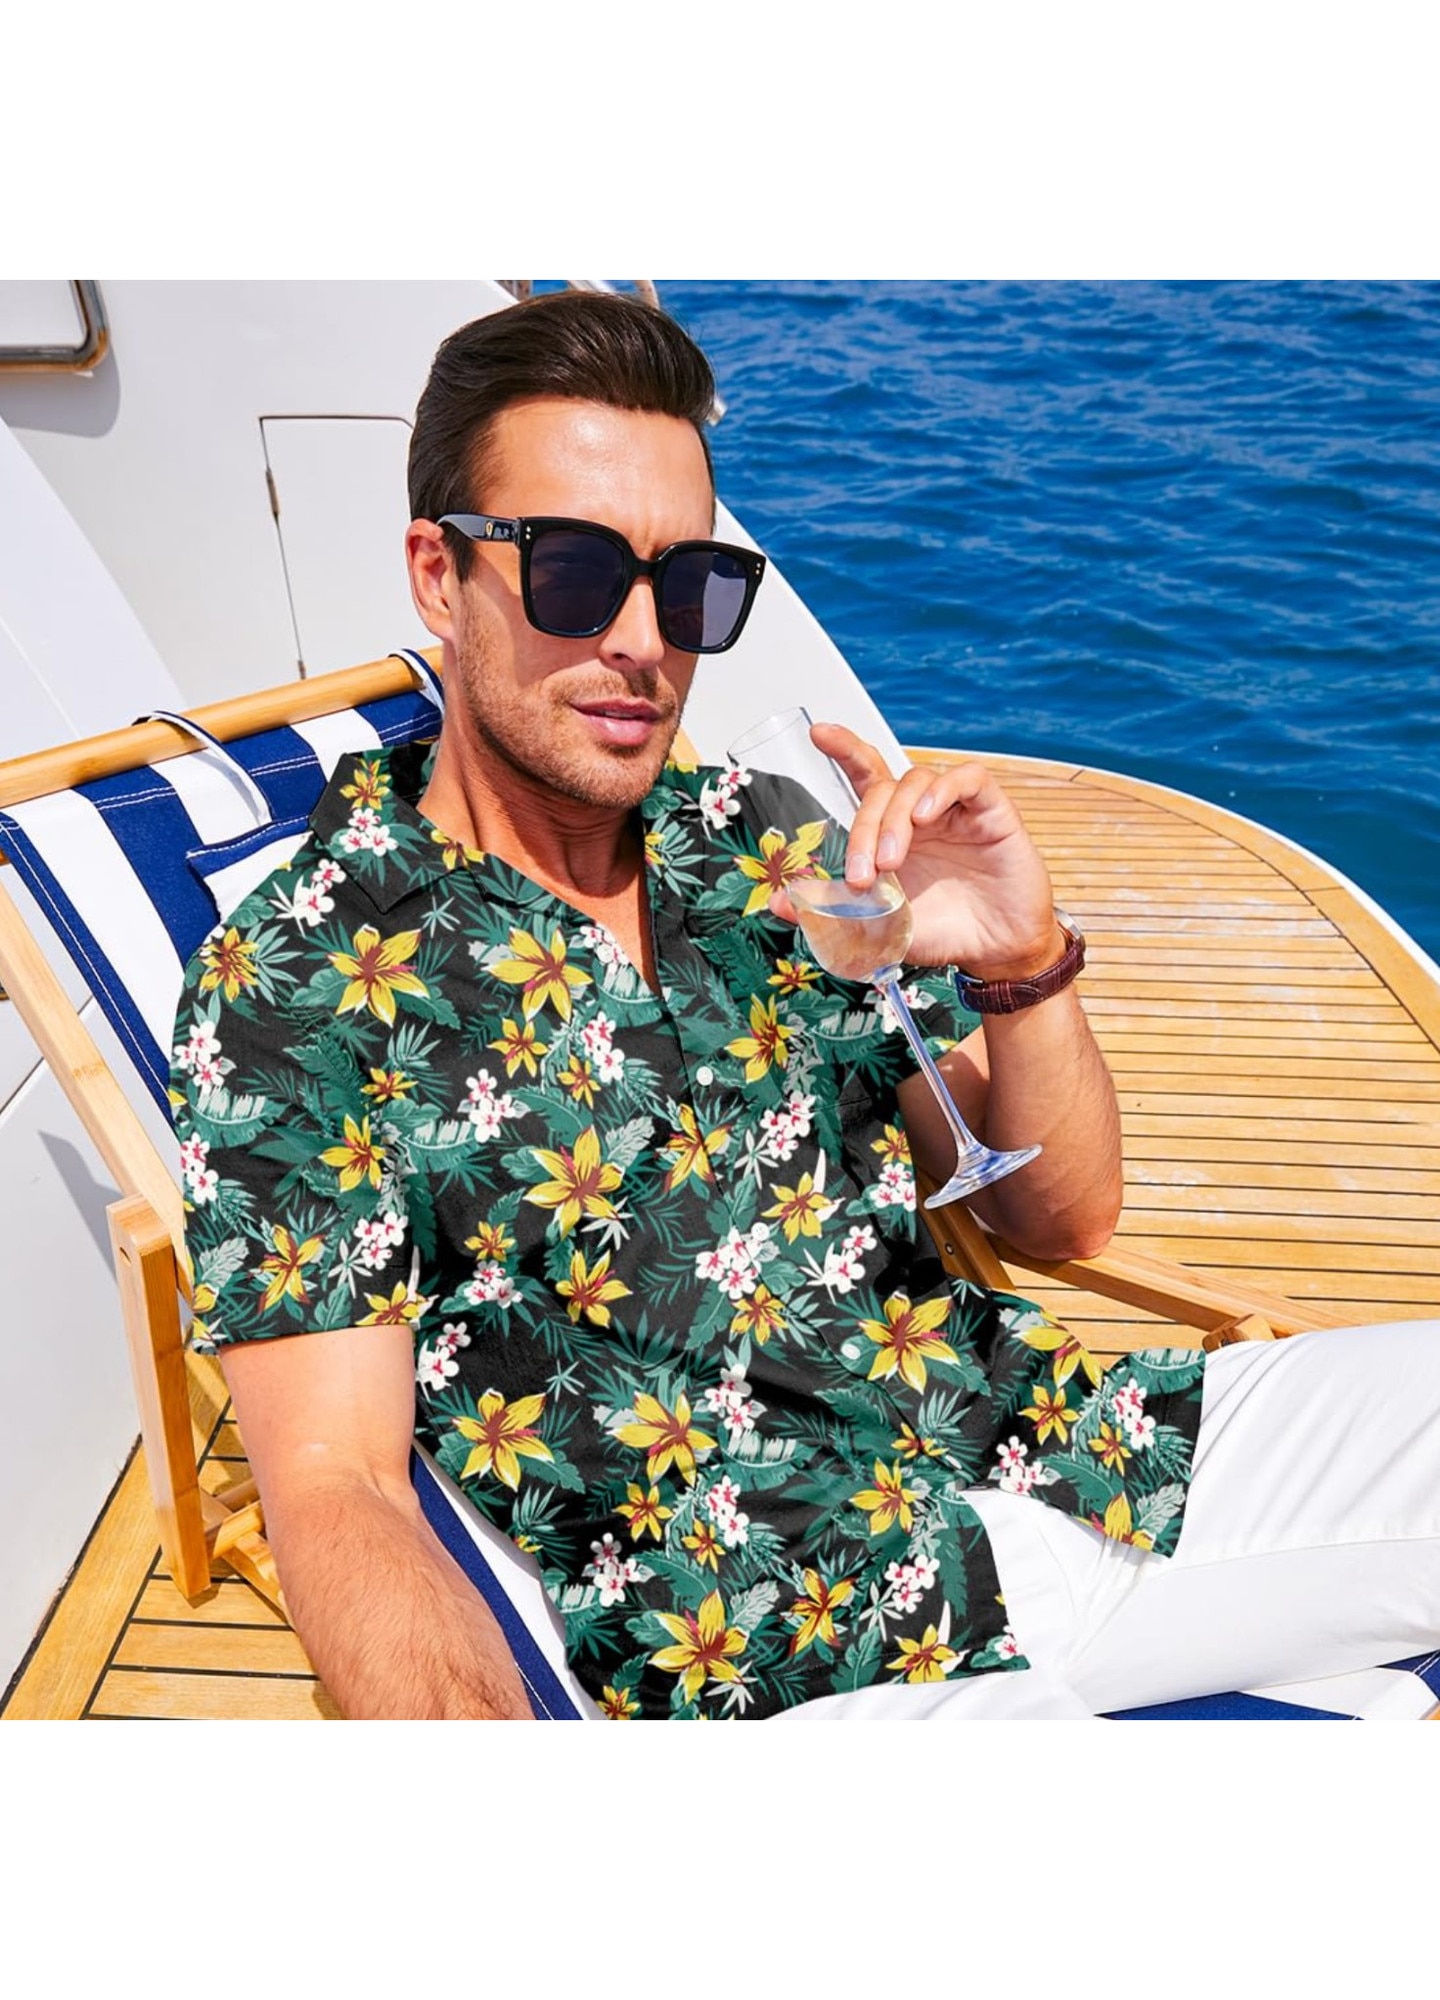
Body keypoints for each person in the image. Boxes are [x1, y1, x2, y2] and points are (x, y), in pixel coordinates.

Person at [171, 290, 1440, 1721]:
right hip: (808, 1657)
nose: (644, 642)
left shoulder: (760, 841)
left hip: (1075, 1457)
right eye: (576, 572)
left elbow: (1062, 1220)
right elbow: (340, 1488)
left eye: (692, 585)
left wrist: (1019, 959)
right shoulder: (298, 985)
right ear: (437, 573)